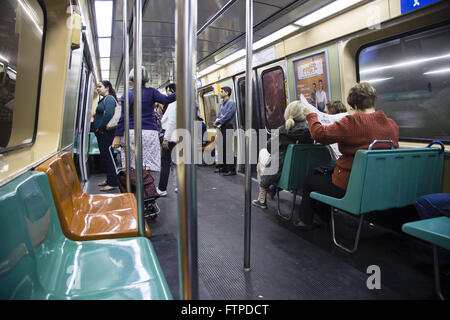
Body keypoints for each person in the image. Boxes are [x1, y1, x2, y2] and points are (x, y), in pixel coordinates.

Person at [293, 82, 399, 229]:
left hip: (348, 185)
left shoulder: (352, 122)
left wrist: (311, 115)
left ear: (354, 105)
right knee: (320, 171)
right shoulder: (392, 124)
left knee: (310, 181)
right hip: (378, 184)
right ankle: (322, 218)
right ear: (373, 100)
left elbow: (319, 134)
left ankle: (307, 221)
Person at [112, 67, 176, 174]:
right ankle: (145, 186)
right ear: (146, 78)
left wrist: (117, 136)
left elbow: (123, 117)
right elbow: (166, 99)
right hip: (149, 133)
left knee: (132, 167)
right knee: (146, 167)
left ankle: (135, 188)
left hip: (131, 132)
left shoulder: (127, 94)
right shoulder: (152, 92)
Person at [252, 100, 313, 209]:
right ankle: (271, 189)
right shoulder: (311, 130)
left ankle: (263, 199)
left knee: (261, 160)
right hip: (303, 173)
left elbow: (270, 148)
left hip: (282, 172)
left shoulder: (283, 129)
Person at [93, 80, 119, 191]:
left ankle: (113, 182)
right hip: (103, 133)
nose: (97, 89)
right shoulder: (104, 99)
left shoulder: (109, 99)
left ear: (107, 87)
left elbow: (109, 114)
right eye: (97, 87)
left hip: (106, 133)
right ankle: (109, 179)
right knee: (107, 157)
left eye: (100, 86)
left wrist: (100, 128)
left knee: (109, 158)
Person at [157, 83, 177, 197]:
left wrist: (166, 139)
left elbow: (171, 122)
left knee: (165, 163)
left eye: (168, 92)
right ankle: (179, 185)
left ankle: (162, 188)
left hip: (171, 137)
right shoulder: (184, 103)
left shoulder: (173, 104)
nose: (167, 94)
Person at [214, 86, 237, 176]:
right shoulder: (221, 104)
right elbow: (219, 115)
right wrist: (218, 124)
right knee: (221, 148)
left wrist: (218, 122)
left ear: (227, 93)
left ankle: (231, 169)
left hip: (228, 127)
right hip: (221, 127)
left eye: (222, 91)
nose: (220, 93)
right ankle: (223, 167)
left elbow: (227, 116)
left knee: (227, 148)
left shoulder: (231, 103)